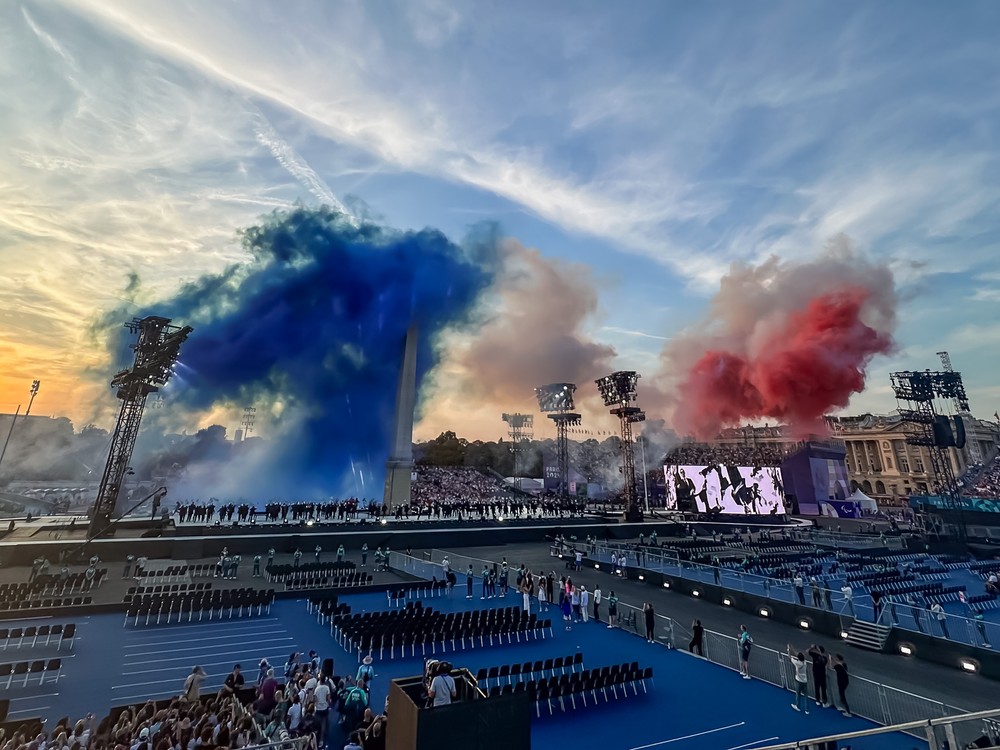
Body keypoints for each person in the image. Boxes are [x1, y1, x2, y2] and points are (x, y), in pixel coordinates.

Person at [787, 646, 810, 713]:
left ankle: (797, 706)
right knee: (806, 695)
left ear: (798, 658)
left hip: (798, 681)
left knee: (798, 694)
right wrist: (793, 649)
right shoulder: (804, 662)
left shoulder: (797, 663)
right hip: (804, 681)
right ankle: (806, 709)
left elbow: (789, 657)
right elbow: (799, 655)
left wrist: (788, 650)